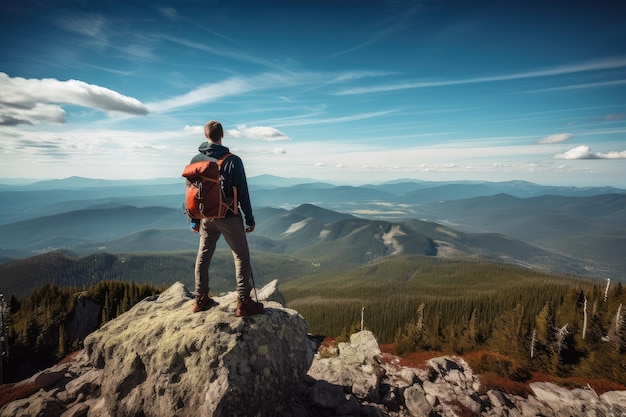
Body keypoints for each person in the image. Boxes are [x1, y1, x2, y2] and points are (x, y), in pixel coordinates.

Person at [191, 120, 264, 317]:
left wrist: (194, 219)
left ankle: (200, 298)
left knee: (203, 257)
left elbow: (192, 192)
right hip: (229, 216)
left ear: (206, 135)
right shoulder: (233, 160)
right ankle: (243, 302)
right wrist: (249, 219)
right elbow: (243, 192)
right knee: (241, 257)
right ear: (222, 134)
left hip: (206, 217)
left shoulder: (196, 159)